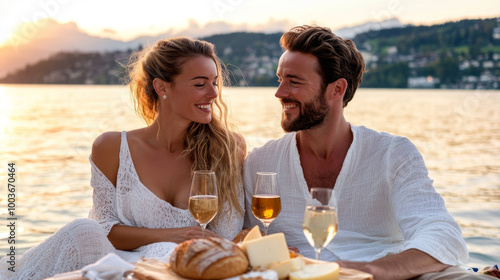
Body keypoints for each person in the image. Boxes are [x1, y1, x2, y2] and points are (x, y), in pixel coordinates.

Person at [243, 25, 493, 280]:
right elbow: (238, 238)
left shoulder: (392, 154)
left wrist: (372, 270)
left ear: (337, 89)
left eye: (293, 82)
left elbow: (443, 235)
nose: (279, 92)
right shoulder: (260, 162)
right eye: (280, 80)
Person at [0, 37, 246, 280]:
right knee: (83, 230)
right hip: (114, 263)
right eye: (200, 84)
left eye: (214, 83)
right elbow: (104, 230)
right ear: (162, 88)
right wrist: (173, 235)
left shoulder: (226, 150)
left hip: (177, 269)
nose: (213, 94)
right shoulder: (112, 147)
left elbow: (224, 237)